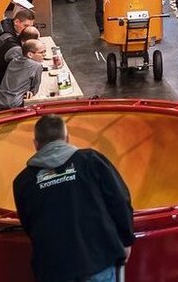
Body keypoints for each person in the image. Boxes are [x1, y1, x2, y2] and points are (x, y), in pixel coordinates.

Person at [13, 114, 135, 282]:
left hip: (53, 269)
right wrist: (127, 239)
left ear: (36, 144)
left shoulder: (23, 182)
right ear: (67, 138)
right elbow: (119, 200)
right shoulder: (91, 161)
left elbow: (28, 224)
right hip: (98, 260)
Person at [0, 39, 47, 110]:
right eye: (41, 52)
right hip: (15, 104)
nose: (44, 54)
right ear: (30, 54)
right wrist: (31, 92)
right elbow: (35, 88)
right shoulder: (37, 66)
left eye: (45, 51)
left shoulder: (13, 61)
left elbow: (8, 56)